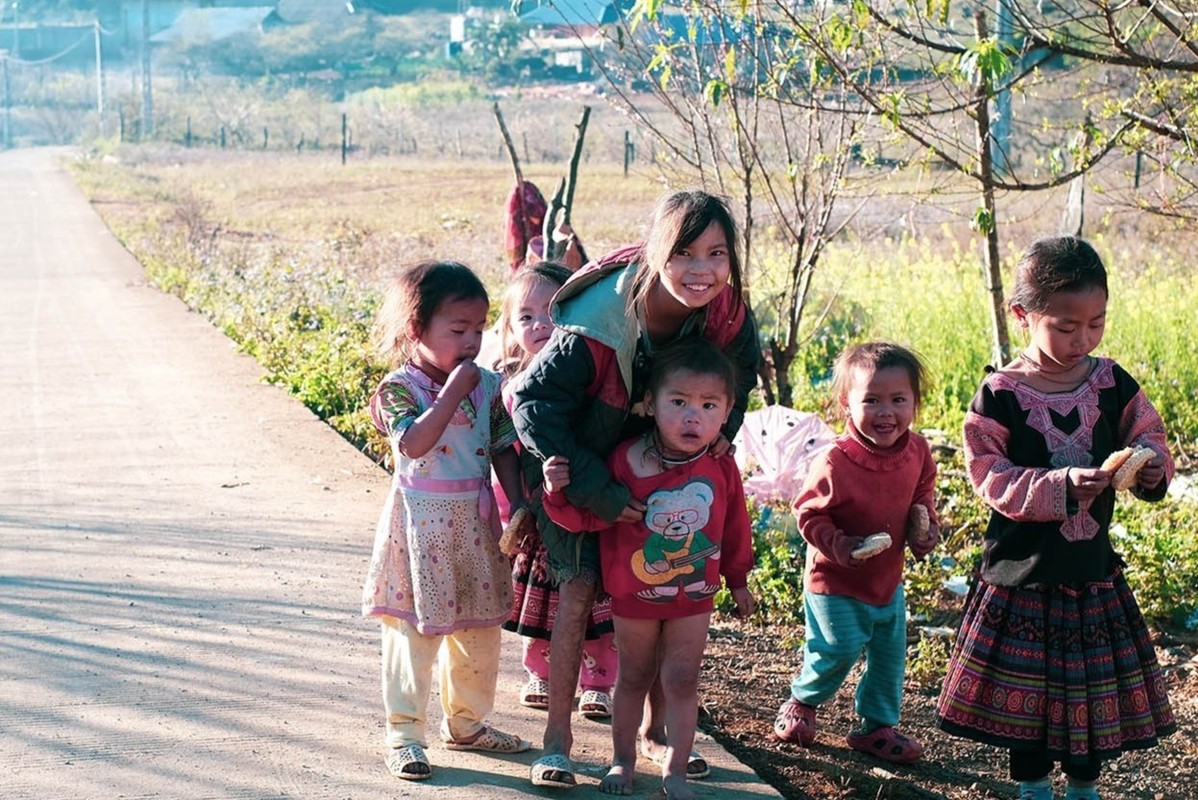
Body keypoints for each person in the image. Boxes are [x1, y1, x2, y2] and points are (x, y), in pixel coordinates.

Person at [511, 189, 761, 789]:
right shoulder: (599, 321)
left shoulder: (728, 314)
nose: (702, 271)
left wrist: (722, 428)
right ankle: (559, 744)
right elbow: (532, 401)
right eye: (685, 252)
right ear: (655, 251)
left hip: (668, 469)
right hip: (582, 467)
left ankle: (654, 737)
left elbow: (742, 371)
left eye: (717, 253)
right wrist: (596, 487)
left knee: (665, 592)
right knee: (576, 592)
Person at [935, 236, 1176, 800]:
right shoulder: (999, 395)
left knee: (1089, 692)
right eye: (1066, 326)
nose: (1083, 339)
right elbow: (989, 476)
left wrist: (1149, 468)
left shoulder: (1112, 383)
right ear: (1024, 315)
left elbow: (1148, 436)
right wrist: (1063, 485)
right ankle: (1034, 789)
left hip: (1091, 571)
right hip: (1023, 574)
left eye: (1096, 323)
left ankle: (1085, 790)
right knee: (1034, 702)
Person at [541, 337, 756, 800]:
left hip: (694, 598)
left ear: (726, 412)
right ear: (650, 405)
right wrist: (558, 494)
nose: (692, 416)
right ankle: (623, 761)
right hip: (633, 598)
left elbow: (736, 524)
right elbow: (589, 518)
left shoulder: (720, 468)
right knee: (634, 677)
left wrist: (737, 580)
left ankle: (675, 771)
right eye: (678, 402)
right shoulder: (625, 461)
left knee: (682, 679)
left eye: (707, 405)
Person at [361, 260, 532, 782]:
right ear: (417, 330)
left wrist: (521, 506)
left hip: (473, 528)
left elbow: (503, 446)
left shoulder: (487, 385)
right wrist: (453, 391)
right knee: (413, 635)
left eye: (479, 329)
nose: (472, 341)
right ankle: (405, 734)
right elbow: (413, 443)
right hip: (419, 531)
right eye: (457, 330)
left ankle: (468, 724)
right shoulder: (398, 389)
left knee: (479, 631)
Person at [773, 341, 940, 765]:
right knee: (838, 647)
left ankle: (877, 727)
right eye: (872, 400)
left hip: (886, 580)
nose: (887, 412)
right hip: (836, 580)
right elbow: (809, 515)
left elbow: (922, 499)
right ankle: (802, 700)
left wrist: (924, 532)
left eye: (898, 400)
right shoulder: (836, 460)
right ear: (847, 404)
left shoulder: (917, 452)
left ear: (915, 403)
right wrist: (842, 547)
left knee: (889, 656)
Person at [488, 262, 618, 720]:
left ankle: (598, 681)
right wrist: (512, 514)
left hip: (583, 504)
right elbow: (501, 456)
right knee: (542, 602)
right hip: (536, 516)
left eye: (551, 312)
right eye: (526, 316)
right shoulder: (505, 387)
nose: (540, 324)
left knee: (593, 598)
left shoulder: (587, 375)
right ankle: (540, 674)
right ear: (508, 327)